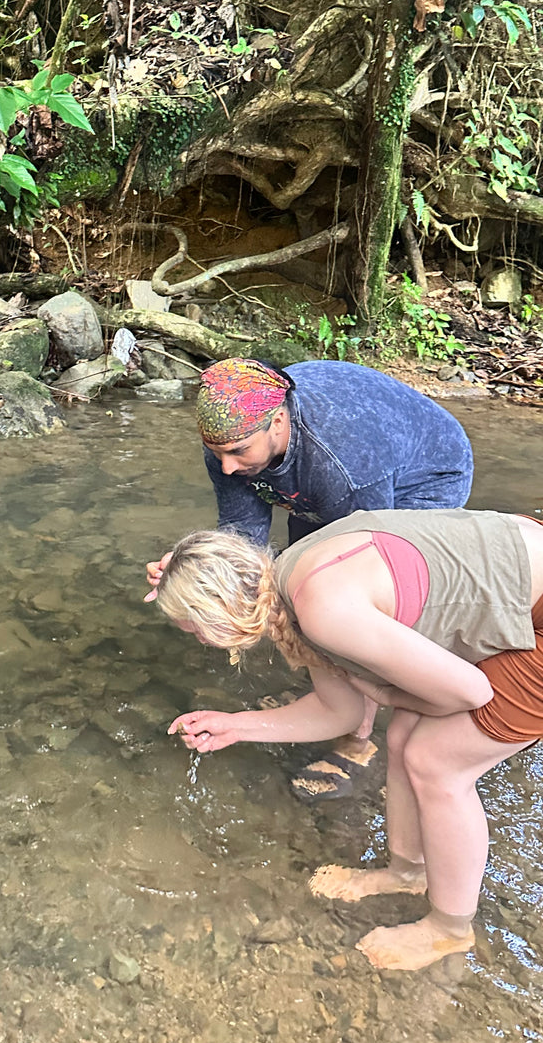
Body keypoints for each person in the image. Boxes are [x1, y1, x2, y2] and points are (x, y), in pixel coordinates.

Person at [152, 509, 543, 971]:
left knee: (436, 761)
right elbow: (341, 712)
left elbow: (472, 692)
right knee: (402, 736)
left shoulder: (322, 611)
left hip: (534, 601)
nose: (198, 641)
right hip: (519, 563)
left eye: (194, 629)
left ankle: (450, 931)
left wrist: (383, 691)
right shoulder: (289, 580)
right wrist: (236, 725)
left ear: (218, 618)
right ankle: (407, 873)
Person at [146, 357, 473, 801]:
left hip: (424, 474)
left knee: (342, 604)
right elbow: (243, 539)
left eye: (238, 453)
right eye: (216, 452)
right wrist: (198, 572)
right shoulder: (231, 435)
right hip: (330, 468)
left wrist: (348, 652)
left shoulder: (342, 464)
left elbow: (365, 563)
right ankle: (330, 698)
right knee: (297, 587)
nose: (225, 467)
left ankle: (358, 735)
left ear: (277, 422)